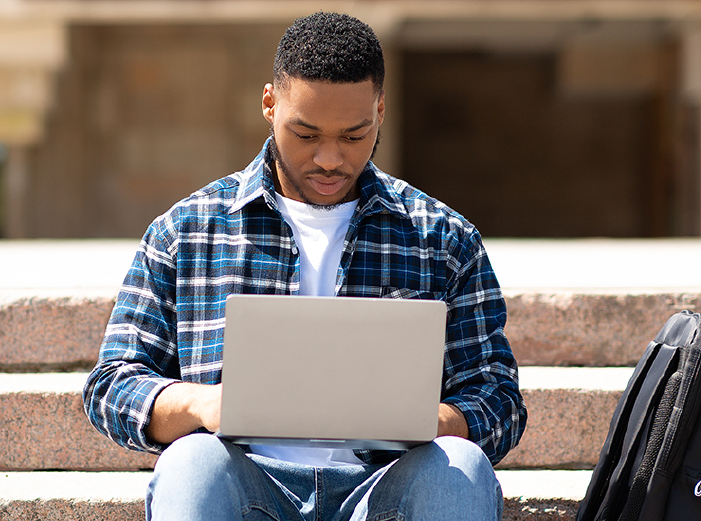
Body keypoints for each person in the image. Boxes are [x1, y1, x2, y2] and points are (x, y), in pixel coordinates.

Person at [83, 11, 526, 521]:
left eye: (354, 136)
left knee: (461, 467)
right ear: (270, 104)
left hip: (388, 487)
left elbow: (499, 399)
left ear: (381, 112)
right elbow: (112, 385)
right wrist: (204, 405)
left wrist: (437, 420)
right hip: (245, 486)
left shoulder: (442, 239)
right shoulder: (186, 231)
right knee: (192, 461)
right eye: (307, 134)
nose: (331, 159)